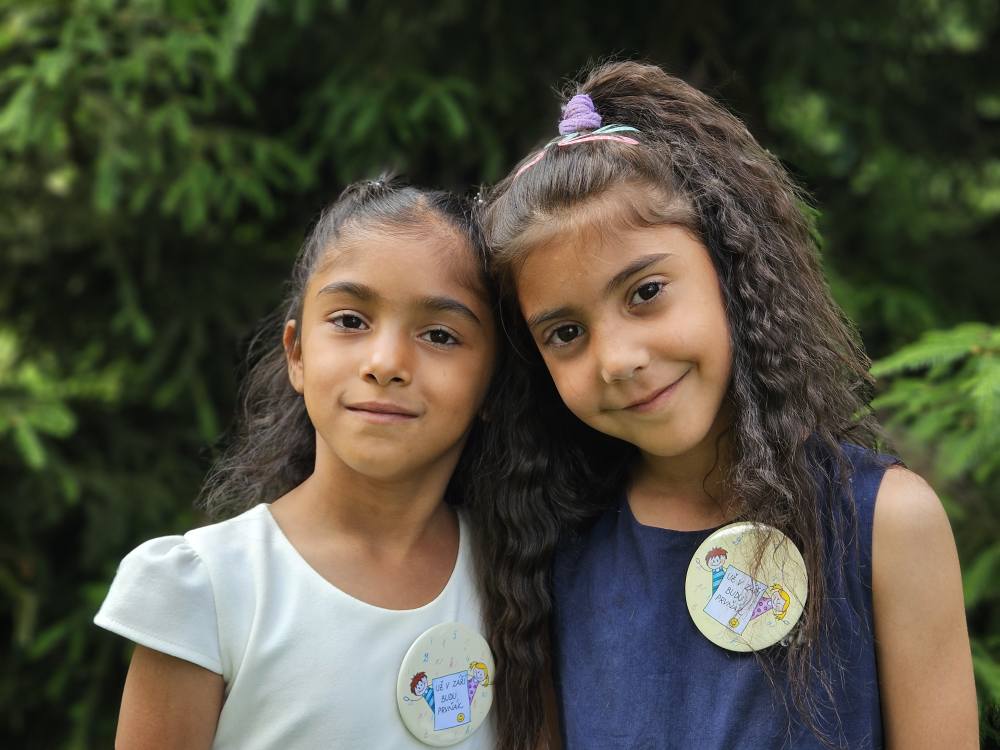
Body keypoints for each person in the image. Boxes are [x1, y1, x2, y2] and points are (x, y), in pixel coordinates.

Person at [480, 61, 978, 748]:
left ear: (729, 272)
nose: (618, 359)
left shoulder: (885, 523)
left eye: (646, 293)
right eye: (566, 333)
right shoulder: (549, 554)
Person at [95, 178, 501, 749]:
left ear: (494, 384)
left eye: (439, 334)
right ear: (298, 354)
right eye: (351, 321)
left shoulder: (516, 582)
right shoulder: (208, 590)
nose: (386, 363)